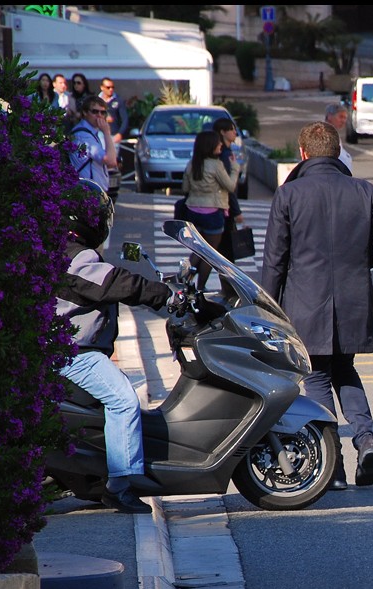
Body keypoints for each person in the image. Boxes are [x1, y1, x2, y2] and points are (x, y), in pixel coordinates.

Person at [261, 121, 373, 490]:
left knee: (317, 376)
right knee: (345, 372)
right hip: (353, 301)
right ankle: (366, 440)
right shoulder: (363, 190)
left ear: (302, 154)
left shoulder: (289, 194)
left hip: (304, 302)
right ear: (336, 151)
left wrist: (267, 308)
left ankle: (331, 465)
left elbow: (274, 261)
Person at [55, 179, 176, 513]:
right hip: (71, 352)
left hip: (71, 347)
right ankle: (120, 486)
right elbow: (112, 282)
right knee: (123, 399)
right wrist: (162, 295)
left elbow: (115, 275)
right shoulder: (74, 258)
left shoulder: (62, 250)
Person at [181, 129, 238, 288]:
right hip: (212, 212)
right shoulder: (216, 165)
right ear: (210, 145)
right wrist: (234, 168)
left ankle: (185, 281)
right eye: (217, 142)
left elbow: (185, 188)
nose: (220, 144)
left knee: (198, 249)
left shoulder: (192, 164)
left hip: (192, 211)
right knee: (210, 253)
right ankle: (200, 287)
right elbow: (230, 186)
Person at [211, 117, 245, 260]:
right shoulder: (223, 155)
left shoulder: (227, 152)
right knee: (223, 252)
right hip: (224, 207)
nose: (235, 132)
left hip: (224, 206)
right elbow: (229, 187)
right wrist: (236, 211)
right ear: (222, 132)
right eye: (231, 129)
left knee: (221, 251)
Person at [69, 96, 119, 193]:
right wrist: (107, 133)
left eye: (103, 112)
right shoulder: (83, 135)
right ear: (85, 112)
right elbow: (111, 161)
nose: (99, 115)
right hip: (88, 192)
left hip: (93, 191)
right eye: (95, 112)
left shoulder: (90, 133)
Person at [98, 77, 130, 145]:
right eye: (108, 87)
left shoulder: (118, 100)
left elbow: (125, 119)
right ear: (102, 87)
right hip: (99, 134)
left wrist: (120, 134)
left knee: (112, 155)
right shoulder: (96, 101)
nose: (111, 89)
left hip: (113, 135)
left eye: (112, 87)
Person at [324, 102, 353, 171]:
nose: (343, 121)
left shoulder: (334, 134)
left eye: (345, 118)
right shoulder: (324, 134)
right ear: (330, 117)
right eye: (341, 117)